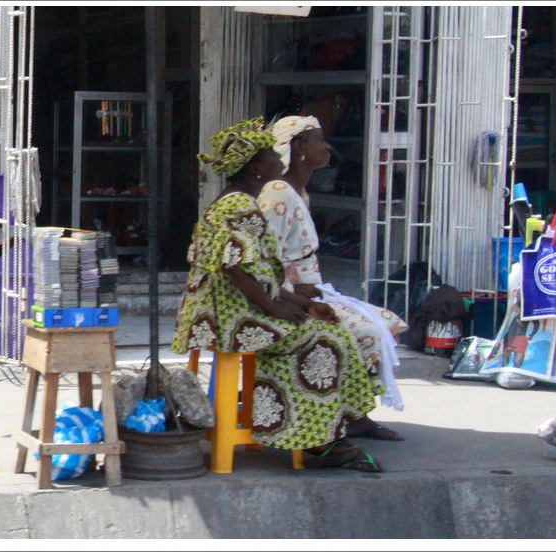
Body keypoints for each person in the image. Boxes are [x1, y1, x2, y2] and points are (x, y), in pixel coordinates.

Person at [171, 117, 383, 472]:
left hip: (233, 308)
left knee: (329, 330)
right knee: (322, 340)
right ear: (256, 167)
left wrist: (303, 303)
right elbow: (236, 269)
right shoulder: (237, 207)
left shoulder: (242, 202)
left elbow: (262, 274)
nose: (278, 158)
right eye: (271, 154)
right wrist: (274, 307)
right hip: (226, 316)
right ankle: (318, 442)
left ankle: (325, 435)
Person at [257, 115, 407, 441]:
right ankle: (348, 416)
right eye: (319, 139)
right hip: (283, 297)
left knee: (385, 322)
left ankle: (352, 413)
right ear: (298, 147)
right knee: (366, 331)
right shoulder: (278, 193)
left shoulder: (298, 191)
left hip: (309, 290)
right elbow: (263, 257)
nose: (327, 147)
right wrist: (295, 295)